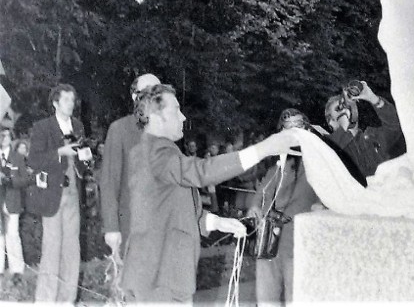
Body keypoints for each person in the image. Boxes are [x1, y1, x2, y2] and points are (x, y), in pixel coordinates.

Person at [121, 84, 300, 303]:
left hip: (157, 276)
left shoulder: (152, 151)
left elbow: (167, 211)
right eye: (176, 110)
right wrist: (263, 148)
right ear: (157, 116)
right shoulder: (156, 151)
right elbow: (201, 172)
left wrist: (216, 222)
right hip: (159, 279)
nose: (183, 116)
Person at [247, 109, 320, 306]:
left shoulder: (318, 164)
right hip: (269, 240)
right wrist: (254, 207)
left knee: (296, 297)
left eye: (299, 126)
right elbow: (261, 194)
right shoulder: (276, 164)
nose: (294, 133)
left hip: (298, 242)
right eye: (288, 128)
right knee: (266, 297)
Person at [28, 83, 92, 303]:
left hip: (73, 194)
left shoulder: (78, 126)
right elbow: (34, 160)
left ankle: (67, 301)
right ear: (55, 103)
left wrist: (86, 159)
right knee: (52, 251)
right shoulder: (43, 127)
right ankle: (45, 302)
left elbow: (83, 158)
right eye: (66, 100)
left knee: (72, 252)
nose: (71, 104)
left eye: (72, 100)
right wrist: (59, 153)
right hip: (52, 196)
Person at [100, 72, 161, 260]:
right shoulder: (119, 129)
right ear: (136, 97)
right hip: (131, 224)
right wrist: (111, 227)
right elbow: (110, 181)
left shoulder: (166, 130)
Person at [324, 80, 404, 179]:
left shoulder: (373, 137)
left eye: (348, 105)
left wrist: (373, 98)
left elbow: (394, 124)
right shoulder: (326, 146)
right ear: (331, 122)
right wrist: (345, 129)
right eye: (339, 108)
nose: (346, 109)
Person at [0, 127, 28, 285]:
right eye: (1, 136)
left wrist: (9, 180)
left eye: (6, 136)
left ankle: (17, 270)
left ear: (11, 139)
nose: (3, 138)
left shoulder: (17, 157)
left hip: (12, 201)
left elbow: (24, 180)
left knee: (12, 235)